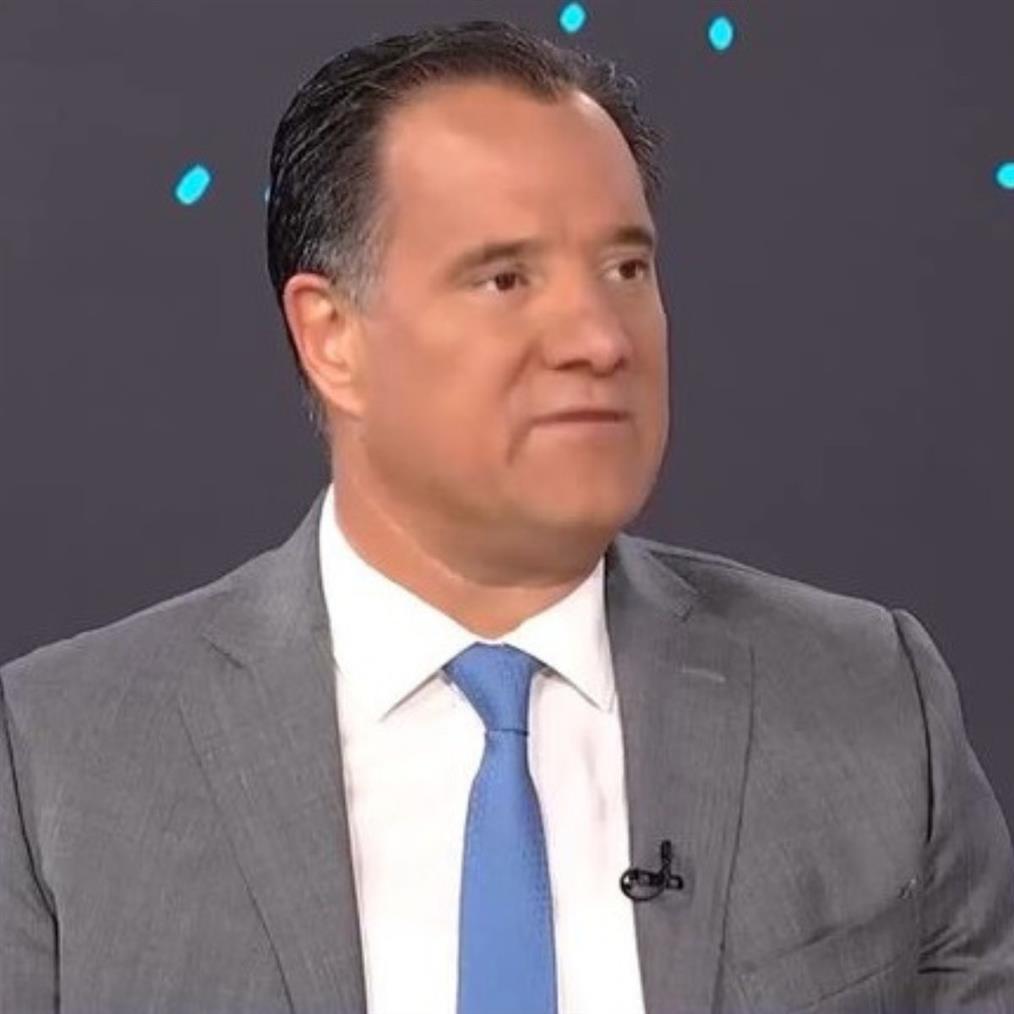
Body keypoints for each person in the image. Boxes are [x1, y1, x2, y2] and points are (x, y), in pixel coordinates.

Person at [1, 18, 1012, 1014]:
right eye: (506, 278)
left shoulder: (871, 701)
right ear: (332, 336)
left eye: (626, 269)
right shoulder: (56, 763)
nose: (599, 340)